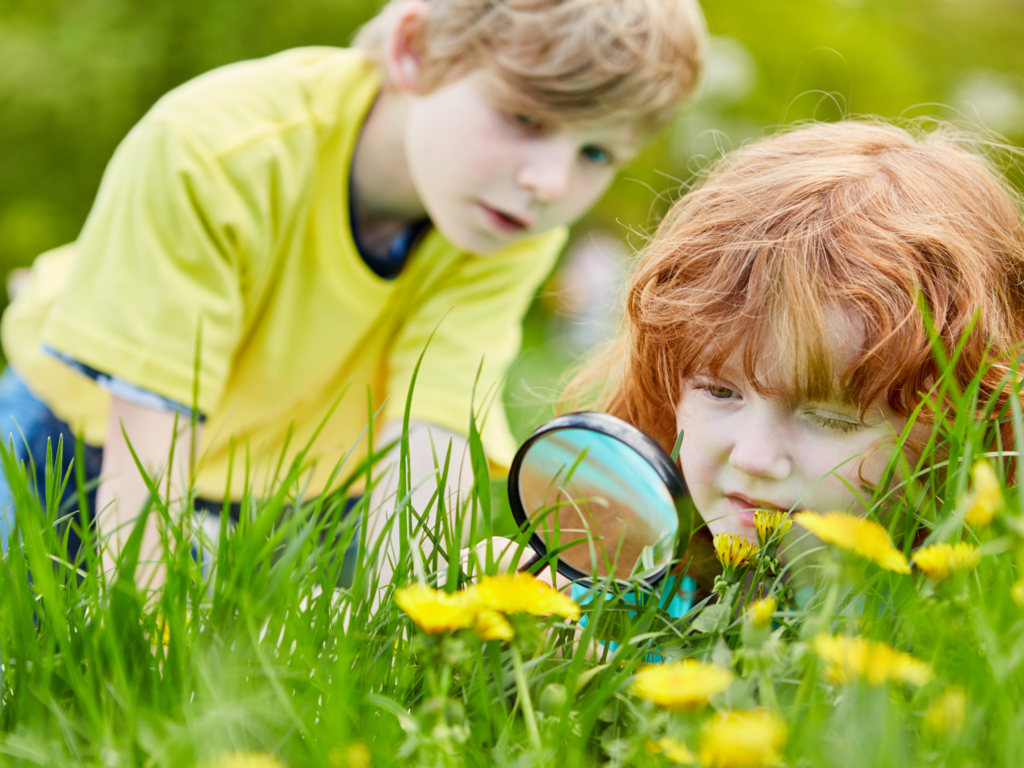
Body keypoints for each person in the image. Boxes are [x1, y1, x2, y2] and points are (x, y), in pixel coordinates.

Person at [0, 0, 707, 585]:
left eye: (595, 154)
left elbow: (430, 437)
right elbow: (146, 453)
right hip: (79, 435)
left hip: (284, 478)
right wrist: (146, 632)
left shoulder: (510, 221)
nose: (550, 183)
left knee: (299, 660)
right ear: (414, 52)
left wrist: (418, 620)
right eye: (526, 119)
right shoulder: (217, 147)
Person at [554, 118, 1024, 602]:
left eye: (830, 417)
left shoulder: (971, 632)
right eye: (720, 391)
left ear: (966, 432)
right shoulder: (628, 586)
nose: (752, 458)